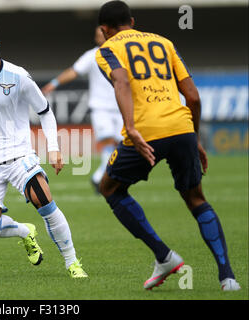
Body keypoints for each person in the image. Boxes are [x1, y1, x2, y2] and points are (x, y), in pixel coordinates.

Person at [96, 1, 240, 290]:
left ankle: (164, 256)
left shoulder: (107, 49)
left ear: (104, 29)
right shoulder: (164, 42)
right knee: (196, 198)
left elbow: (121, 81)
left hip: (146, 132)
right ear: (132, 21)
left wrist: (132, 128)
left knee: (109, 188)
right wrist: (195, 137)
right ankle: (228, 277)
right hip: (181, 127)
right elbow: (193, 97)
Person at [0, 18, 87, 278]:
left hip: (17, 155)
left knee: (42, 198)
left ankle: (72, 263)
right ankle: (25, 232)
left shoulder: (18, 76)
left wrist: (54, 148)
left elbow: (45, 111)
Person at [41, 27, 123, 193]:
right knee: (108, 141)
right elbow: (74, 71)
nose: (98, 38)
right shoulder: (92, 55)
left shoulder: (121, 53)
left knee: (120, 145)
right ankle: (100, 177)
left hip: (121, 106)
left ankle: (103, 176)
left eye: (100, 34)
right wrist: (55, 83)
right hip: (101, 107)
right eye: (96, 35)